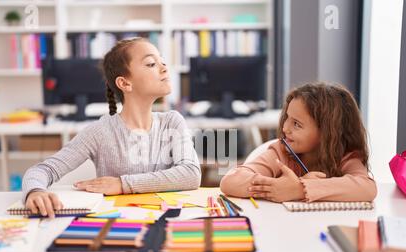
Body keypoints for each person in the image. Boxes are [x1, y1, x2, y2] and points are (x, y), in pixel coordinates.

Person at [23, 37, 201, 217]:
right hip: (120, 224)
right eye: (151, 64)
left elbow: (191, 174)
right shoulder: (100, 132)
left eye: (162, 61)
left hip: (167, 221)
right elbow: (42, 171)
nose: (164, 67)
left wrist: (122, 184)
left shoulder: (172, 121)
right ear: (124, 83)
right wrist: (35, 191)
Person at [220, 82, 377, 202]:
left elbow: (367, 188)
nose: (285, 128)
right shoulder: (282, 152)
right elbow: (230, 181)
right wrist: (277, 187)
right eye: (287, 118)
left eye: (296, 124)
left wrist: (299, 189)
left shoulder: (345, 157)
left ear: (327, 132)